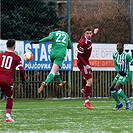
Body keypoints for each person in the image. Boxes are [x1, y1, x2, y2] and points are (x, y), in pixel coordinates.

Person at [0, 39, 26, 122]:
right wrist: (23, 79)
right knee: (10, 97)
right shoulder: (17, 57)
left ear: (6, 46)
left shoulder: (1, 55)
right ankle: (8, 117)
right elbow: (21, 69)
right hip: (7, 80)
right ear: (14, 46)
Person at [77, 27, 99, 110]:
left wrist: (94, 33)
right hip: (82, 63)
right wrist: (86, 65)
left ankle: (83, 88)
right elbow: (78, 56)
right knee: (90, 81)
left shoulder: (88, 38)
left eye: (90, 33)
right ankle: (86, 101)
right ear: (84, 34)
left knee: (88, 77)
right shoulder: (82, 43)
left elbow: (90, 36)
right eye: (88, 33)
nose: (89, 35)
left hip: (86, 61)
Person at [110, 42, 133, 110]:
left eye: (119, 46)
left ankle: (127, 102)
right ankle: (119, 104)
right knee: (112, 88)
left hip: (126, 74)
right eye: (117, 46)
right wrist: (118, 71)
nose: (118, 47)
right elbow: (115, 64)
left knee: (117, 87)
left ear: (123, 47)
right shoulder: (115, 54)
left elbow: (132, 61)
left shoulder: (126, 55)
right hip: (119, 74)